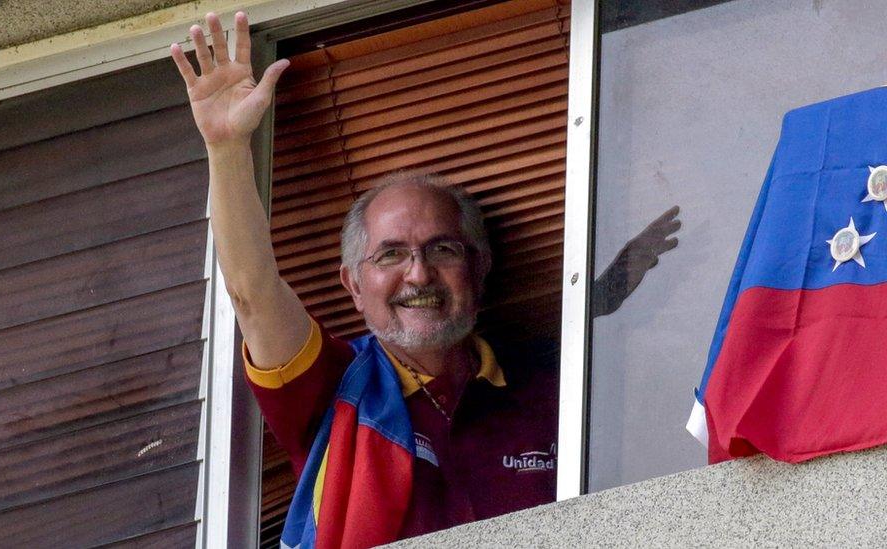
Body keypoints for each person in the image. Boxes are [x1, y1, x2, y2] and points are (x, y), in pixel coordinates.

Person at [171, 11, 680, 548]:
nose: (419, 274)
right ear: (352, 285)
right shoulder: (336, 388)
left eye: (441, 249)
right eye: (390, 255)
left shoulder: (550, 386)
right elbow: (252, 293)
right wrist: (227, 149)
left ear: (479, 266)